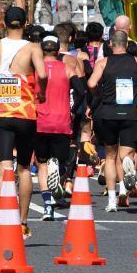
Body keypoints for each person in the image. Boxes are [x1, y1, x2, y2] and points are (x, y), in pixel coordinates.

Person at [0, 7, 47, 238]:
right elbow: (42, 74)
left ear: (4, 22)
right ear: (25, 23)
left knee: (4, 166)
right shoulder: (33, 47)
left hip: (0, 114)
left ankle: (5, 217)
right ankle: (22, 221)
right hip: (25, 113)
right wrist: (40, 92)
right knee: (23, 168)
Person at [87, 29, 137, 212]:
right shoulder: (136, 61)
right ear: (127, 44)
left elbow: (91, 84)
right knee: (124, 155)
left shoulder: (103, 62)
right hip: (131, 115)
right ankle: (126, 172)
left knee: (109, 157)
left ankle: (111, 200)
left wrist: (99, 94)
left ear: (110, 44)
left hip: (108, 113)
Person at [33, 35, 82, 221]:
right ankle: (57, 174)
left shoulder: (34, 70)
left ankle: (47, 204)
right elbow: (81, 91)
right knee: (59, 162)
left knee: (42, 163)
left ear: (41, 50)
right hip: (62, 120)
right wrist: (73, 110)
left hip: (40, 121)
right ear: (58, 50)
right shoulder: (68, 69)